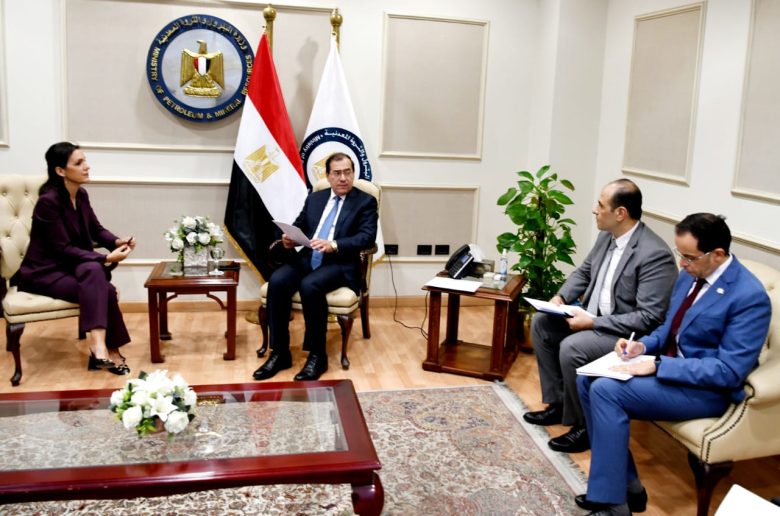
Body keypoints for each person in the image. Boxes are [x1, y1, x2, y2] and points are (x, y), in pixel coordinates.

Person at [575, 213, 771, 516]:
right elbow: (668, 328)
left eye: (689, 257)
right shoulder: (690, 275)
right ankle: (627, 487)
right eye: (681, 254)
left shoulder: (749, 297)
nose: (682, 263)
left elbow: (728, 371)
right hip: (669, 370)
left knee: (605, 391)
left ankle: (613, 504)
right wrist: (642, 346)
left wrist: (658, 365)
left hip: (706, 391)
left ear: (718, 254)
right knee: (586, 380)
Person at [524, 179, 677, 453]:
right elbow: (584, 272)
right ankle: (559, 404)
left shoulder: (654, 254)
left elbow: (649, 318)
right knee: (542, 324)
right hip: (592, 318)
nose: (595, 210)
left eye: (600, 205)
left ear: (620, 213)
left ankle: (585, 426)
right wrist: (560, 298)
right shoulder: (607, 236)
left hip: (625, 335)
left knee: (572, 347)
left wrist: (592, 322)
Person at [252, 152, 378, 382]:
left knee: (310, 285)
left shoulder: (365, 202)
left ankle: (318, 356)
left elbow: (367, 237)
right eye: (337, 173)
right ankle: (280, 353)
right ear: (328, 176)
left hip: (340, 262)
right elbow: (301, 224)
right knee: (278, 281)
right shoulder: (316, 198)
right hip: (309, 256)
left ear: (353, 173)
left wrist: (334, 244)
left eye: (348, 172)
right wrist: (289, 239)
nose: (343, 178)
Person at [17, 142, 135, 375]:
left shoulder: (80, 195)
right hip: (45, 272)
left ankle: (99, 348)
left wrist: (117, 241)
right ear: (60, 170)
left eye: (85, 161)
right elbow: (62, 249)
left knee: (93, 270)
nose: (86, 166)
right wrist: (105, 258)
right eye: (79, 163)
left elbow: (96, 229)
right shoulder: (48, 202)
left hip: (72, 267)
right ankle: (108, 349)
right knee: (106, 288)